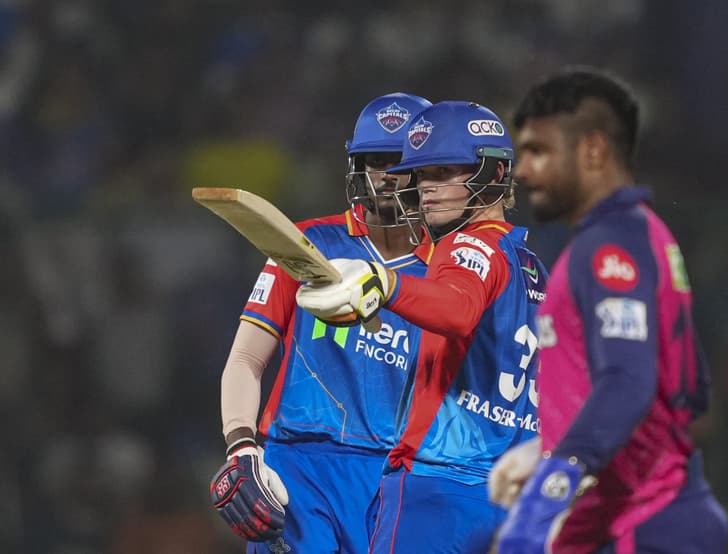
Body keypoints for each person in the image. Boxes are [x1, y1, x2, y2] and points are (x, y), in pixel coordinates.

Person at [492, 68, 728, 553]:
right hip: (640, 513)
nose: (523, 170)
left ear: (593, 150)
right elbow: (685, 389)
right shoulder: (642, 234)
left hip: (643, 521)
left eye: (538, 150)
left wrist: (550, 488)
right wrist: (548, 446)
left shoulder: (608, 248)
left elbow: (626, 381)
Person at [296, 100, 548, 553]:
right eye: (422, 175)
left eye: (444, 172)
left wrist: (386, 283)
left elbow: (457, 307)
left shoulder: (466, 245)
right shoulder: (532, 266)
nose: (427, 188)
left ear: (493, 172)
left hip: (439, 486)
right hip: (515, 499)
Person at [208, 92, 433, 554]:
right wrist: (241, 447)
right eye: (375, 161)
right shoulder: (305, 243)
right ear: (357, 166)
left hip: (399, 476)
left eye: (400, 162)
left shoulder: (450, 271)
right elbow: (246, 358)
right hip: (299, 467)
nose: (386, 176)